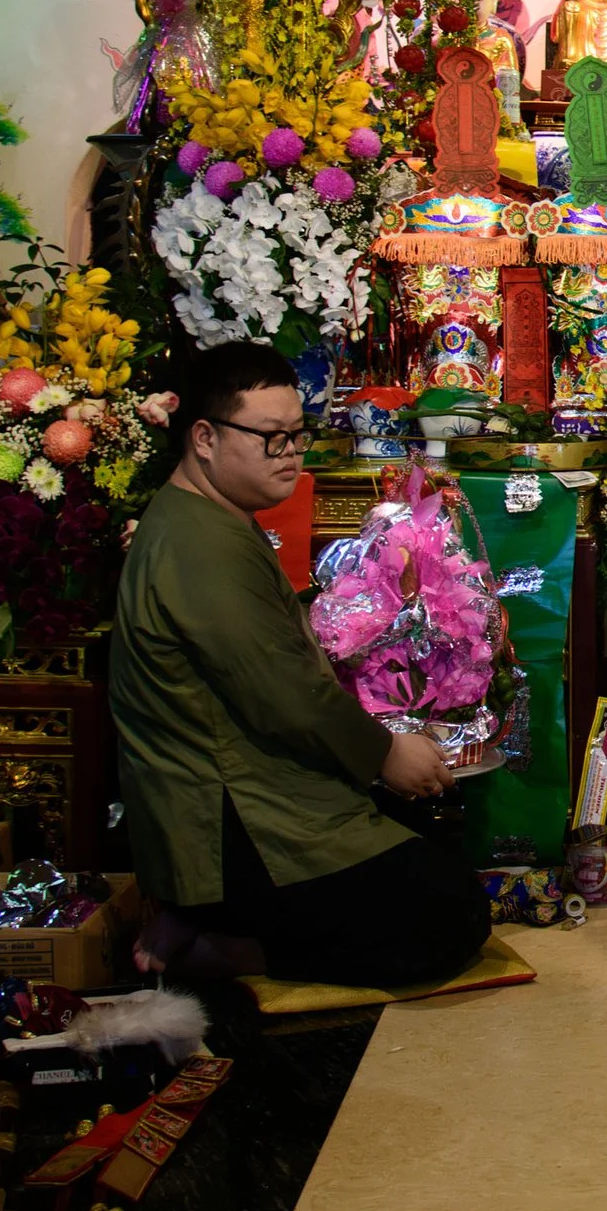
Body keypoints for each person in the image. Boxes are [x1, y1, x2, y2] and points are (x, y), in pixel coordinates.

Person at [112, 341, 490, 988]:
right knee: (452, 913)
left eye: (296, 435)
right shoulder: (201, 545)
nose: (289, 454)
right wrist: (384, 755)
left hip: (257, 789)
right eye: (270, 438)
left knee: (433, 841)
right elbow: (286, 696)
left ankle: (207, 921)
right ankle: (225, 948)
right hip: (236, 817)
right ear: (204, 437)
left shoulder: (205, 518)